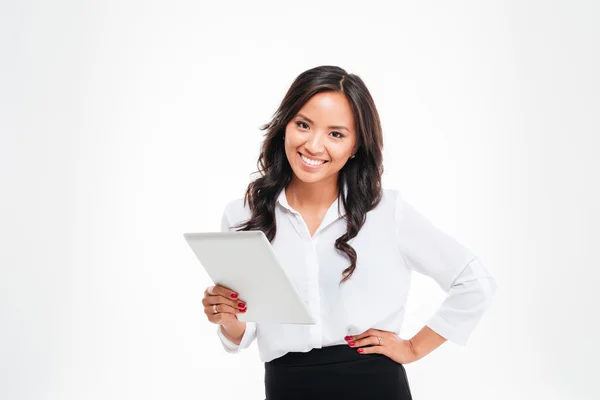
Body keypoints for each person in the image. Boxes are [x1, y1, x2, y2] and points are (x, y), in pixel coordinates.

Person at [201, 65, 497, 399]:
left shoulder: (386, 212)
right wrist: (226, 316)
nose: (314, 145)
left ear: (356, 146)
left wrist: (414, 348)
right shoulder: (243, 214)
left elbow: (475, 282)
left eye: (336, 134)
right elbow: (245, 330)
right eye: (303, 125)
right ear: (285, 125)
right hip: (287, 386)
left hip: (373, 384)